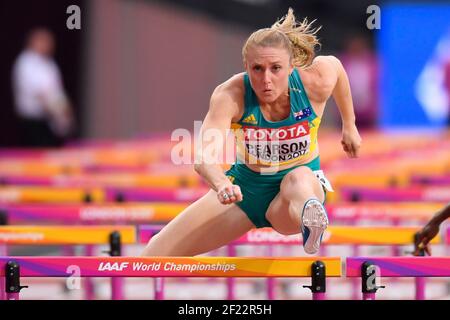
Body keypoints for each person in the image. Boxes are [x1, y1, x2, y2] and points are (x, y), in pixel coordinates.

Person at [142, 8, 361, 257]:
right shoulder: (230, 96)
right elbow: (204, 158)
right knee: (152, 256)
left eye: (275, 68)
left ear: (291, 67)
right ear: (245, 66)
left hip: (295, 194)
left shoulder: (315, 81)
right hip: (245, 191)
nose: (266, 79)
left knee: (297, 179)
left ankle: (311, 221)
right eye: (257, 69)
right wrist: (222, 183)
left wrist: (349, 125)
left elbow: (338, 69)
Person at [12, 27, 75, 147]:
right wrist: (57, 111)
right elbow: (40, 93)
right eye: (45, 41)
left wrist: (65, 113)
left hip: (50, 118)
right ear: (34, 42)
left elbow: (56, 90)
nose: (49, 45)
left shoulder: (49, 63)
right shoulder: (26, 62)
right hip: (34, 119)